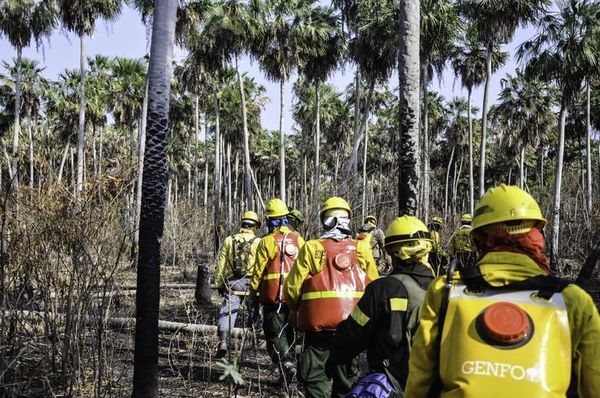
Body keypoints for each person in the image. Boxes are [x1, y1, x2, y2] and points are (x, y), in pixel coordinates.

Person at [405, 184, 600, 397]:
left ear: (479, 239)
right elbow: (594, 384)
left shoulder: (446, 290)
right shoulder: (573, 301)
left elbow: (420, 378)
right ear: (537, 234)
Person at [326, 216, 436, 396]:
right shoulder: (443, 289)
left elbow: (352, 332)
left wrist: (333, 361)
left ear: (392, 252)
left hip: (394, 385)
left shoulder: (383, 289)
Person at [284, 197, 379, 398]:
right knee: (348, 380)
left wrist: (294, 310)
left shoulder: (312, 247)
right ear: (348, 220)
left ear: (324, 220)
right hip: (352, 329)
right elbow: (375, 287)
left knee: (316, 379)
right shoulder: (361, 248)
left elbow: (292, 287)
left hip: (318, 330)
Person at [248, 198, 305, 386]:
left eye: (270, 219)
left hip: (274, 299)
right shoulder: (300, 240)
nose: (269, 223)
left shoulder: (266, 242)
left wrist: (251, 295)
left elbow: (257, 272)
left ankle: (287, 367)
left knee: (274, 335)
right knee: (289, 334)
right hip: (296, 299)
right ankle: (288, 375)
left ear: (278, 220)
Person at [214, 211, 262, 357]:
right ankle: (254, 343)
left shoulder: (229, 240)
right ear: (255, 227)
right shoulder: (259, 242)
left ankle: (223, 342)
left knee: (228, 311)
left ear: (242, 224)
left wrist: (219, 284)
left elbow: (221, 264)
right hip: (252, 283)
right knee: (254, 312)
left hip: (234, 282)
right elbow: (262, 265)